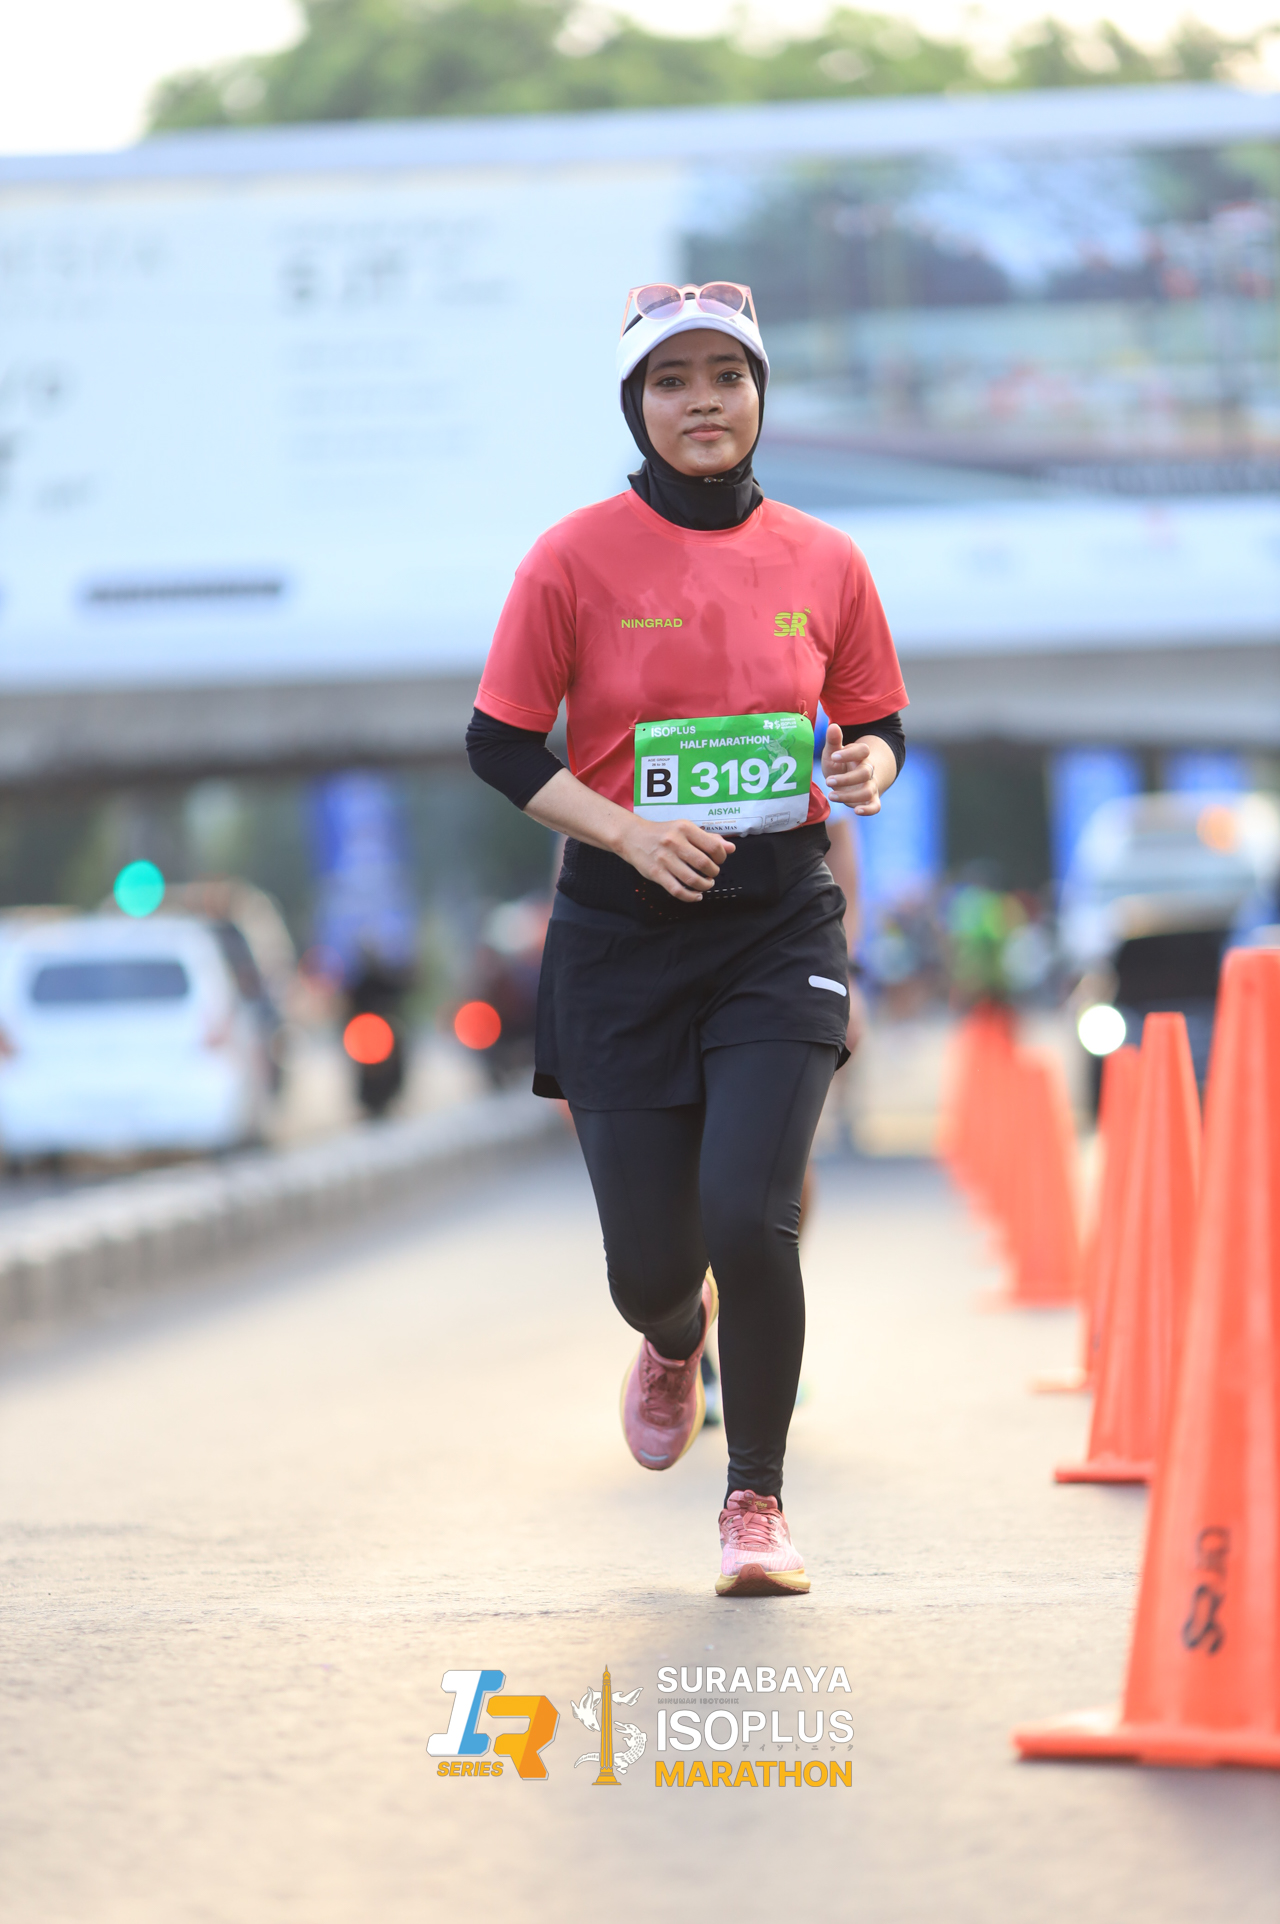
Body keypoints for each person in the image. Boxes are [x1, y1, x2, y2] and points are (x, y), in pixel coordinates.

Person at [467, 281, 906, 1597]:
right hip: (621, 939)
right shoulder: (571, 559)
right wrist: (625, 833)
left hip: (779, 925)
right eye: (672, 381)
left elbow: (876, 720)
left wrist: (872, 762)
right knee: (653, 1268)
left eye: (728, 375)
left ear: (761, 396)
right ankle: (671, 1340)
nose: (703, 401)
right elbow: (499, 743)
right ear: (636, 406)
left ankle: (754, 1504)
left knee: (750, 1218)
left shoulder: (827, 559)